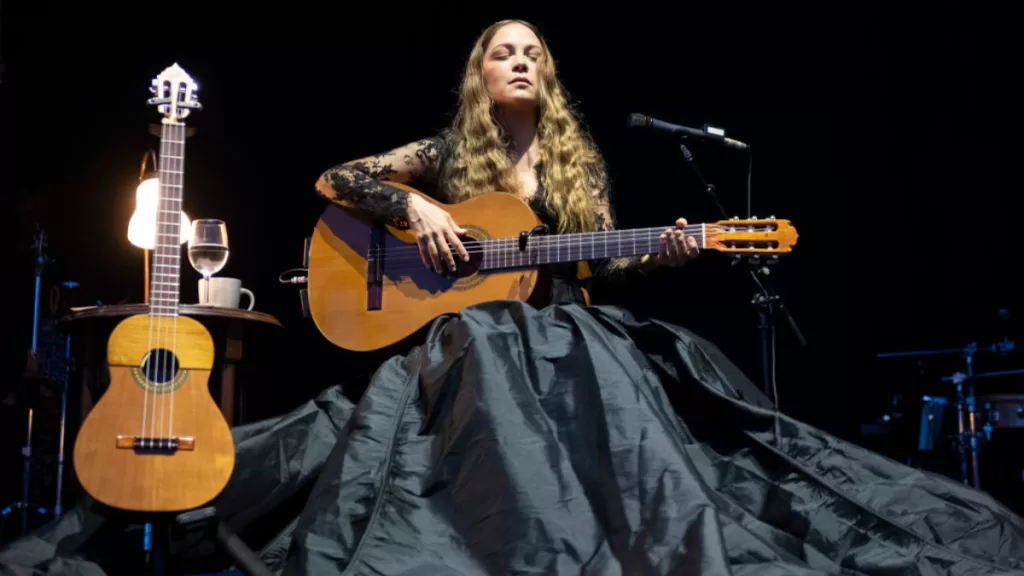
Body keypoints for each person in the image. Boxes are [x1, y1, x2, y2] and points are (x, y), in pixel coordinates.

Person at [2, 18, 1023, 576]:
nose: (521, 59)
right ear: (479, 73)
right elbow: (334, 180)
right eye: (503, 49)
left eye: (534, 50)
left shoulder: (575, 181)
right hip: (472, 346)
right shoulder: (451, 155)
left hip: (559, 341)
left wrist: (669, 250)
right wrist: (418, 212)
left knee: (612, 362)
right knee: (488, 355)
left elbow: (590, 267)